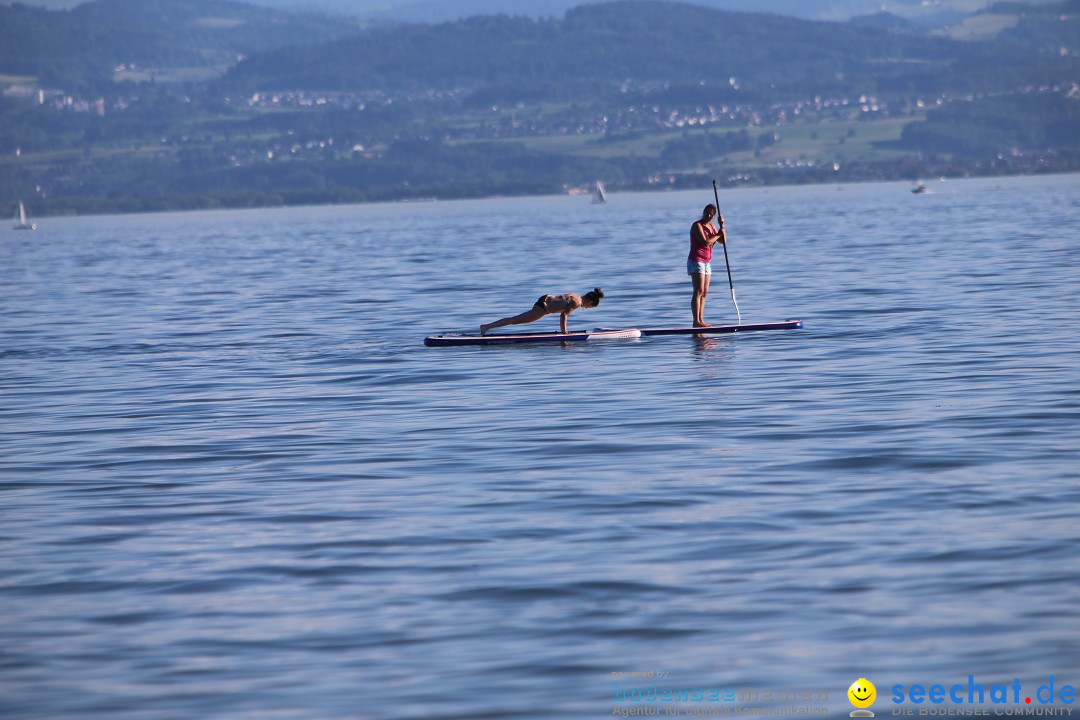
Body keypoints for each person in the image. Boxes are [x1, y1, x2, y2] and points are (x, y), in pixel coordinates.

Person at [480, 288, 604, 335]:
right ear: (591, 302)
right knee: (514, 320)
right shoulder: (577, 302)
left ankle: (487, 327)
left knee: (515, 320)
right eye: (590, 307)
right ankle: (486, 327)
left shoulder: (576, 295)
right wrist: (564, 333)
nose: (587, 308)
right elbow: (563, 315)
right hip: (543, 307)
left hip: (545, 300)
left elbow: (562, 302)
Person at [688, 203, 726, 327]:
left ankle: (701, 320)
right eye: (707, 212)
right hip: (696, 261)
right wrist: (718, 235)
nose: (708, 215)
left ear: (713, 216)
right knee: (698, 291)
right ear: (703, 212)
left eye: (711, 214)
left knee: (704, 292)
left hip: (707, 262)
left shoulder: (711, 227)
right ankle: (696, 321)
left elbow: (722, 241)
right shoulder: (697, 225)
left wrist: (722, 226)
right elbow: (705, 243)